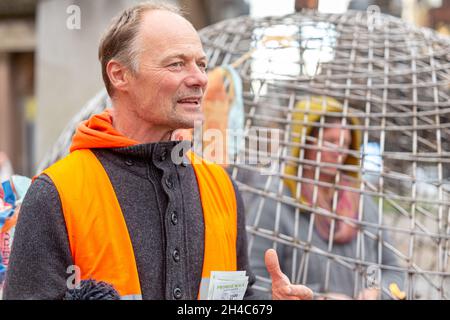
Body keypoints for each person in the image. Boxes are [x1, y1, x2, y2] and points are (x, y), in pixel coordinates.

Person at [3, 2, 312, 300]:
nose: (200, 78)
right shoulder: (57, 193)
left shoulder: (222, 189)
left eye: (201, 64)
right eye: (176, 63)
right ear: (119, 75)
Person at [249, 96, 405, 300]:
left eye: (345, 143)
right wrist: (316, 297)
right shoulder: (275, 203)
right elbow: (253, 284)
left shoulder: (363, 204)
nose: (339, 151)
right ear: (304, 144)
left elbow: (395, 272)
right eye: (330, 142)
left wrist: (378, 293)